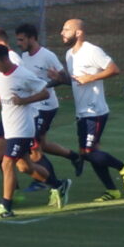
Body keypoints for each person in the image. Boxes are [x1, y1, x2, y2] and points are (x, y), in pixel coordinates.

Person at [0, 40, 61, 220]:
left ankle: (5, 207)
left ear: (5, 59)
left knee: (7, 163)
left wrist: (24, 101)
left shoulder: (23, 75)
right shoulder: (0, 75)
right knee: (25, 166)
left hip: (23, 128)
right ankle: (58, 185)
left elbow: (45, 92)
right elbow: (3, 96)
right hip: (9, 127)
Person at [60, 17, 124, 197]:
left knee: (89, 152)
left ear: (78, 33)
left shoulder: (92, 51)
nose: (62, 33)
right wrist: (59, 79)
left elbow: (114, 69)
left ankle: (123, 167)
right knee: (88, 153)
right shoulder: (69, 55)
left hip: (95, 111)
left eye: (66, 29)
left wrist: (91, 78)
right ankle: (112, 190)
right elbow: (77, 80)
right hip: (81, 112)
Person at [11, 24, 80, 187]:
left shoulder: (47, 56)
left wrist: (47, 85)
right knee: (41, 144)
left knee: (34, 145)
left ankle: (47, 181)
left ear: (32, 38)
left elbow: (63, 78)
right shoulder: (24, 56)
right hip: (33, 106)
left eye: (21, 40)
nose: (19, 43)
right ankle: (74, 157)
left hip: (46, 105)